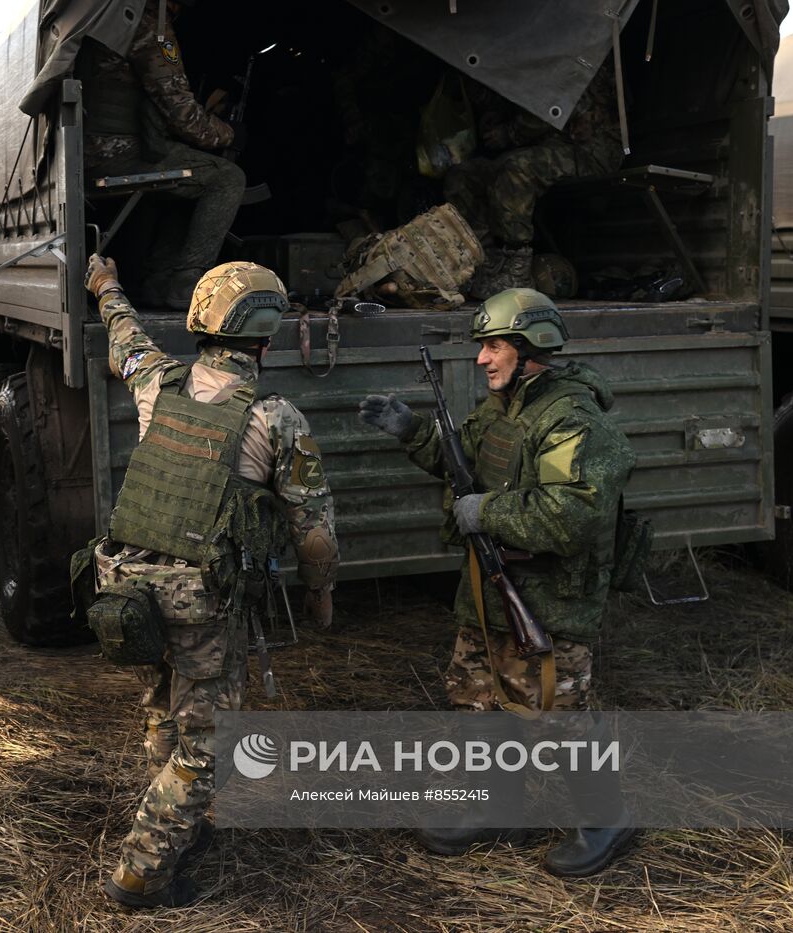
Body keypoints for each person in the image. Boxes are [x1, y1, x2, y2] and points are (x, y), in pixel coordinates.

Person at [84, 255, 339, 908]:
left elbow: (124, 336)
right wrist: (321, 593)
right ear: (264, 335)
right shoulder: (276, 418)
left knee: (165, 703)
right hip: (202, 603)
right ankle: (141, 867)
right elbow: (313, 532)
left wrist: (107, 285)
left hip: (131, 592)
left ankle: (178, 828)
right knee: (210, 743)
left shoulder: (156, 382)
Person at [358, 287, 636, 877]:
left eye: (493, 345)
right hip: (488, 590)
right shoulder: (503, 407)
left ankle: (607, 818)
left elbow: (576, 513)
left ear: (531, 346)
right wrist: (414, 433)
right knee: (478, 702)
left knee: (558, 716)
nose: (482, 358)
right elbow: (468, 467)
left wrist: (486, 514)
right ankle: (499, 804)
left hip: (550, 598)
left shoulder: (571, 418)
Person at [77, 0, 246, 310]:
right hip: (120, 155)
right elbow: (181, 113)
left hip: (91, 154)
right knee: (227, 178)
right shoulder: (148, 25)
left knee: (188, 179)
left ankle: (159, 282)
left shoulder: (110, 18)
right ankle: (186, 284)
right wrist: (230, 132)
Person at [440, 67, 622, 298]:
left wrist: (508, 133)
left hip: (589, 152)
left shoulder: (572, 57)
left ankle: (517, 268)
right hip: (546, 149)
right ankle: (481, 258)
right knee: (462, 176)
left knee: (517, 169)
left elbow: (547, 110)